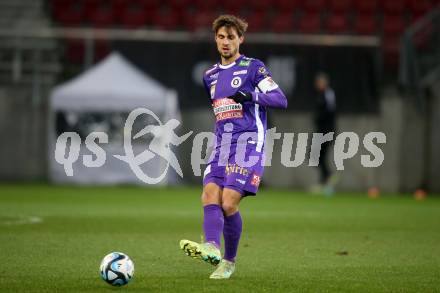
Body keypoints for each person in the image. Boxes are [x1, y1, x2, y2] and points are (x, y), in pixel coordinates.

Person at [179, 15, 287, 279]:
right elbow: (221, 111)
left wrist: (251, 95)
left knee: (228, 203)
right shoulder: (210, 76)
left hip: (248, 143)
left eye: (230, 37)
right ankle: (211, 247)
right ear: (215, 39)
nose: (225, 42)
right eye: (220, 37)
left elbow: (280, 99)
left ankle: (228, 261)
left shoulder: (253, 67)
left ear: (241, 39)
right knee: (209, 195)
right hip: (221, 145)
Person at [313, 72, 337, 194]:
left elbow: (330, 112)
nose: (317, 85)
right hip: (321, 131)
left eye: (319, 82)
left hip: (327, 131)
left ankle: (327, 179)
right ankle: (326, 180)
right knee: (315, 156)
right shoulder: (321, 94)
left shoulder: (328, 94)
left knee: (318, 156)